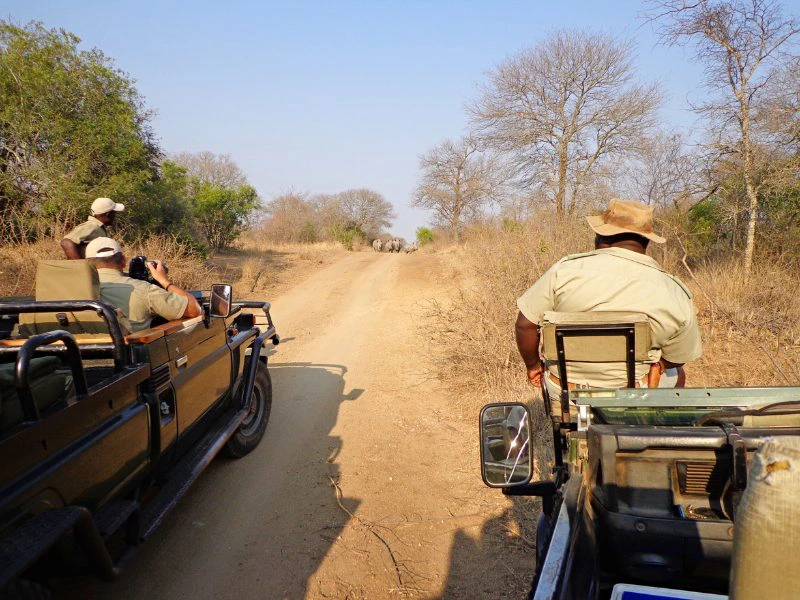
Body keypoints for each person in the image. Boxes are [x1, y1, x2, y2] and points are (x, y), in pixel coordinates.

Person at [515, 198, 702, 395]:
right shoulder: (674, 290)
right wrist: (661, 365)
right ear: (646, 241)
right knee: (677, 373)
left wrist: (533, 366)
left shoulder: (563, 271)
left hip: (563, 391)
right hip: (635, 391)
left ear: (601, 237)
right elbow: (680, 355)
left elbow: (524, 325)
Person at [84, 237, 201, 332]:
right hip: (129, 355)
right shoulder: (142, 289)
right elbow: (194, 310)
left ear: (86, 263)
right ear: (124, 260)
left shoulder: (76, 290)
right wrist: (164, 281)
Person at [61, 197, 125, 259]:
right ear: (108, 214)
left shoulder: (99, 228)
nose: (115, 217)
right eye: (114, 213)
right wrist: (79, 266)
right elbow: (66, 242)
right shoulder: (92, 226)